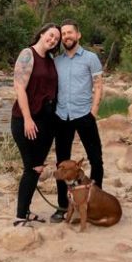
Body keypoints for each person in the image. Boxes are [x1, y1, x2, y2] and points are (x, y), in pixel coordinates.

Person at [51, 19, 104, 223]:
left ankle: (96, 200)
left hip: (84, 115)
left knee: (96, 159)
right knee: (61, 163)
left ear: (78, 35)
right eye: (63, 34)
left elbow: (98, 85)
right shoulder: (57, 61)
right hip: (62, 116)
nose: (66, 36)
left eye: (70, 33)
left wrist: (94, 111)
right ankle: (63, 206)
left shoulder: (91, 58)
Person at [10, 22, 61, 226]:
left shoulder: (50, 59)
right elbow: (19, 87)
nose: (53, 40)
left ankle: (26, 211)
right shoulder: (27, 54)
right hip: (26, 120)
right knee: (31, 167)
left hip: (47, 122)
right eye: (50, 35)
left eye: (56, 39)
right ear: (41, 33)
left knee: (37, 168)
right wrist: (28, 119)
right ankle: (20, 216)